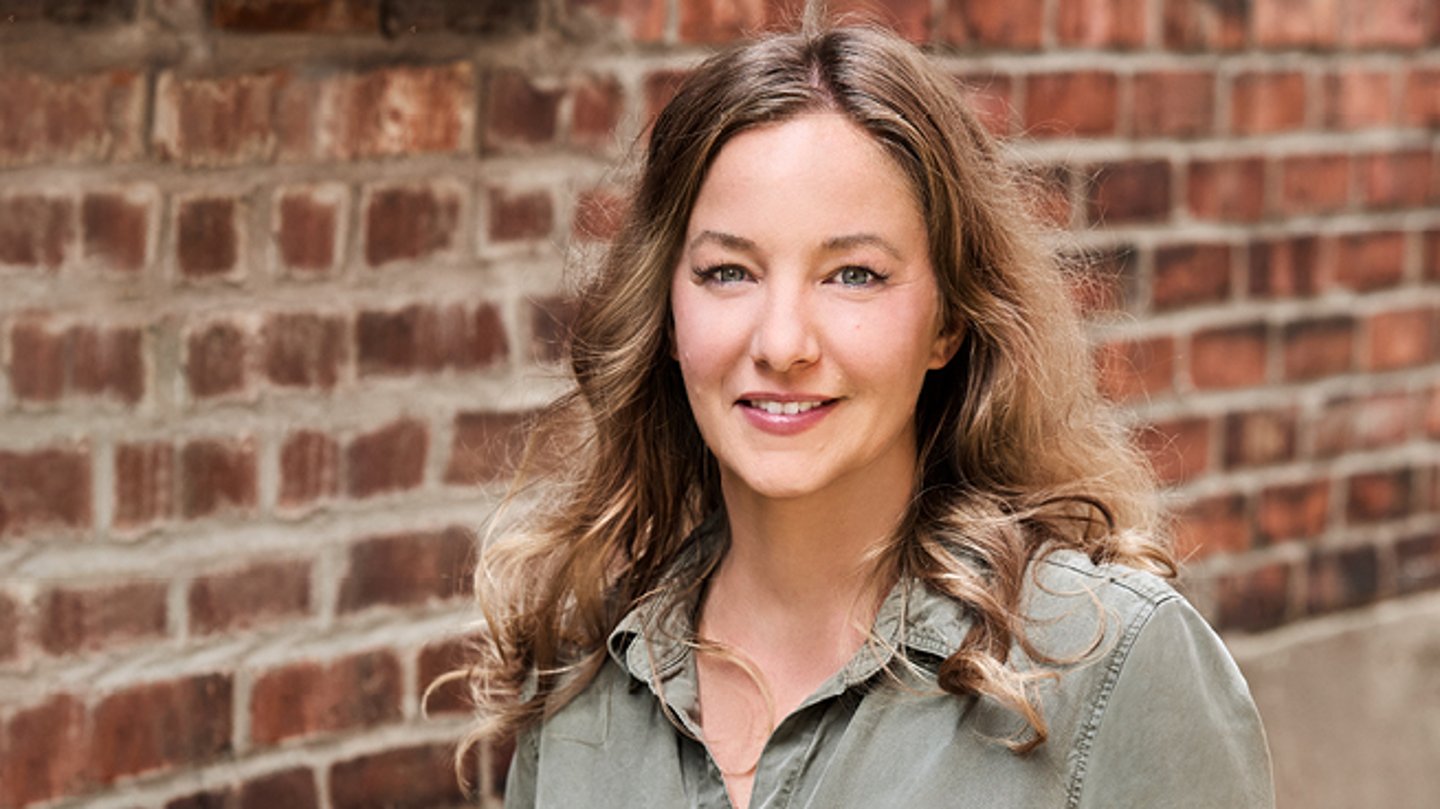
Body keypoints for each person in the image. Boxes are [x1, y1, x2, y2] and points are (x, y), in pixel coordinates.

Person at [454, 20, 1274, 809]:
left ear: (949, 321)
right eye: (729, 271)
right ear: (668, 316)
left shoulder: (1112, 665)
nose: (782, 342)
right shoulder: (579, 680)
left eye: (853, 275)